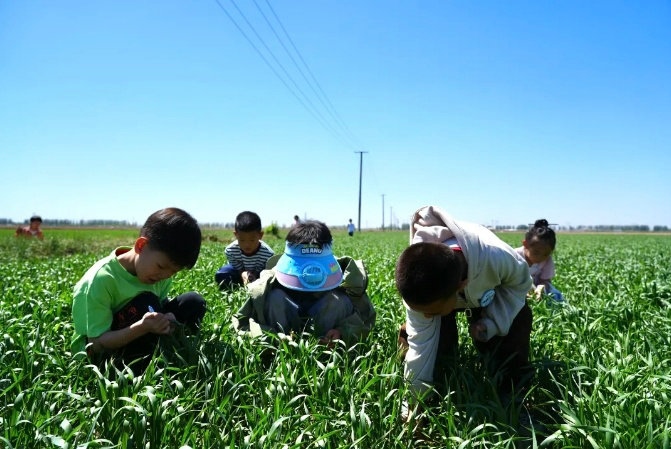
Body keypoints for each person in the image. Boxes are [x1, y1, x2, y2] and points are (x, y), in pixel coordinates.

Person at [396, 205, 532, 418]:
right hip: (445, 293)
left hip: (487, 287)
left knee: (517, 322)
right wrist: (413, 405)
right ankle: (438, 367)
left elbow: (519, 285)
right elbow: (421, 347)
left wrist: (492, 322)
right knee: (437, 351)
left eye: (431, 312)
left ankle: (514, 394)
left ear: (460, 288)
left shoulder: (497, 257)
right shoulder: (419, 282)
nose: (426, 316)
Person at [71, 207, 206, 375]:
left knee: (193, 302)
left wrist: (169, 319)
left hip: (143, 327)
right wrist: (142, 327)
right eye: (161, 266)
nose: (165, 276)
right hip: (103, 350)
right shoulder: (101, 280)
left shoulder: (160, 275)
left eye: (173, 272)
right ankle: (149, 357)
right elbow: (97, 344)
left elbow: (159, 305)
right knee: (145, 303)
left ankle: (165, 344)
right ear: (141, 245)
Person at [235, 220, 376, 346]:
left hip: (324, 325)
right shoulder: (268, 281)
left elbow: (365, 316)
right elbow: (242, 322)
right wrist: (273, 337)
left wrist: (341, 332)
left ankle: (323, 346)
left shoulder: (349, 276)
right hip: (283, 329)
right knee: (274, 298)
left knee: (340, 301)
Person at [215, 211, 275, 290]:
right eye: (242, 240)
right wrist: (242, 273)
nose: (247, 245)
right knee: (223, 273)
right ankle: (233, 287)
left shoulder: (268, 253)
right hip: (238, 273)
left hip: (258, 276)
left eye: (252, 240)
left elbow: (264, 271)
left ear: (260, 235)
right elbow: (236, 267)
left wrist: (255, 276)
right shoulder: (230, 250)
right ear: (236, 235)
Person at [516, 219, 564, 302]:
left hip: (537, 290)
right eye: (536, 252)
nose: (540, 258)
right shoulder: (514, 256)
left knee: (555, 295)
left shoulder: (547, 260)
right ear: (525, 244)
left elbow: (545, 280)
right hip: (516, 288)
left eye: (545, 254)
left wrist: (541, 287)